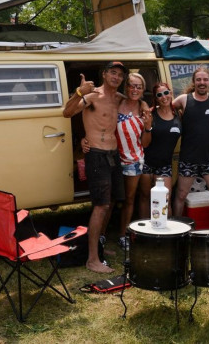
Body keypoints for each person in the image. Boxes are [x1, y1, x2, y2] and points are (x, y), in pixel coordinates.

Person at [63, 61, 127, 273]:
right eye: (113, 73)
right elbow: (67, 113)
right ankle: (92, 260)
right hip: (97, 155)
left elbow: (137, 105)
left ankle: (100, 245)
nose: (116, 77)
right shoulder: (92, 96)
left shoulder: (119, 98)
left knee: (112, 202)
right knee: (101, 206)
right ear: (104, 74)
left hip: (113, 154)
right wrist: (79, 92)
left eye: (120, 75)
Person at [172, 67, 209, 227]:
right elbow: (165, 106)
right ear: (194, 82)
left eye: (205, 80)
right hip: (188, 158)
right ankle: (177, 229)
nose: (202, 83)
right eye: (198, 80)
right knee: (181, 195)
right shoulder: (183, 100)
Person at [114, 73, 152, 249]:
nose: (135, 89)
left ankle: (123, 235)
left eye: (139, 86)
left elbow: (145, 143)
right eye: (132, 85)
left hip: (133, 160)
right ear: (126, 87)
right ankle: (103, 235)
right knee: (113, 199)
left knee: (129, 199)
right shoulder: (117, 102)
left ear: (143, 90)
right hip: (113, 157)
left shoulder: (144, 111)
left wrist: (148, 127)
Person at [138, 82, 182, 219]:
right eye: (159, 95)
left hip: (164, 165)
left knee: (164, 200)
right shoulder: (151, 114)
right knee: (145, 197)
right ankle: (144, 228)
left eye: (166, 93)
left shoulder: (179, 115)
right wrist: (148, 127)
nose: (164, 97)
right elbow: (144, 144)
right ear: (156, 98)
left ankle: (167, 228)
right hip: (147, 162)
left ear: (171, 93)